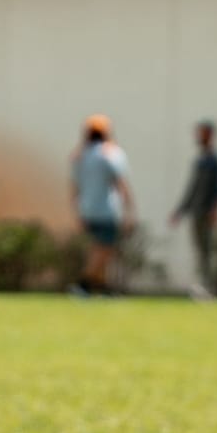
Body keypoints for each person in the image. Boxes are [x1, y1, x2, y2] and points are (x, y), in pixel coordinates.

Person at [69, 113, 135, 297]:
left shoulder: (79, 156)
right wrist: (130, 210)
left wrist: (76, 212)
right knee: (103, 249)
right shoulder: (111, 153)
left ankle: (102, 288)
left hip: (86, 209)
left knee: (98, 248)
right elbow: (121, 183)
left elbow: (74, 188)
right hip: (106, 209)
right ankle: (83, 284)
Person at [166, 118, 217, 301]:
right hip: (196, 212)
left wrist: (215, 209)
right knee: (199, 250)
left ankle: (208, 288)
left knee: (207, 251)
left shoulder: (215, 161)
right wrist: (180, 210)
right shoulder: (200, 160)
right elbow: (192, 189)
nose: (199, 136)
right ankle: (201, 286)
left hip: (207, 213)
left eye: (203, 133)